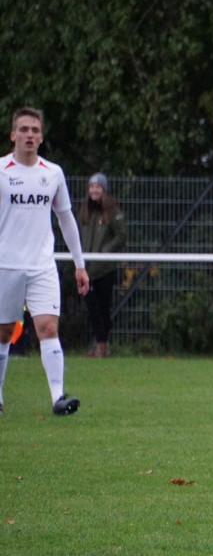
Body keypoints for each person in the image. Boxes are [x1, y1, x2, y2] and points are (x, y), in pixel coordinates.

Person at [0, 107, 90, 416]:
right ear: (13, 135)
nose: (29, 135)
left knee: (48, 327)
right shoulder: (1, 170)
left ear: (41, 137)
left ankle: (57, 398)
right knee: (3, 332)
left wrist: (79, 264)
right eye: (23, 129)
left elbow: (65, 218)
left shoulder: (52, 173)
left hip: (42, 265)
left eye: (35, 130)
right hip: (5, 265)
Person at [77, 172, 126, 358]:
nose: (94, 190)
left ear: (104, 190)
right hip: (86, 269)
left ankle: (102, 346)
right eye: (91, 187)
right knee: (92, 308)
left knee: (103, 308)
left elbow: (121, 236)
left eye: (98, 187)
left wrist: (105, 250)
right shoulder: (85, 210)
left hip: (105, 269)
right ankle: (101, 344)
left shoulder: (113, 212)